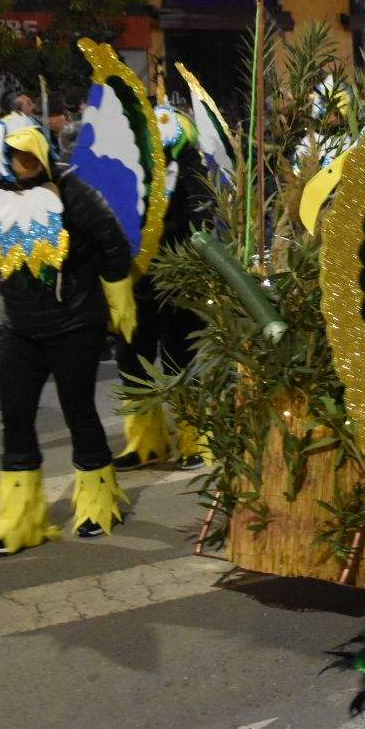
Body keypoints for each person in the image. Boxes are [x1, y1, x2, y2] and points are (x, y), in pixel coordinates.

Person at [0, 112, 137, 557]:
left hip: (73, 327)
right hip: (20, 329)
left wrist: (117, 300)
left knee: (78, 412)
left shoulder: (73, 193)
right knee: (16, 419)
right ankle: (20, 521)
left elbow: (113, 245)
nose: (23, 160)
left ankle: (99, 505)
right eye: (14, 153)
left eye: (30, 151)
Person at [112, 105, 214, 472]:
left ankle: (195, 438)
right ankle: (145, 441)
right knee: (131, 361)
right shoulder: (134, 171)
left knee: (179, 362)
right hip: (137, 284)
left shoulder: (190, 171)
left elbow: (202, 220)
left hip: (176, 282)